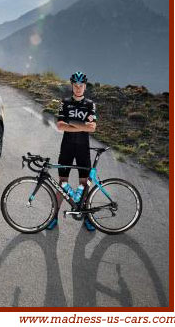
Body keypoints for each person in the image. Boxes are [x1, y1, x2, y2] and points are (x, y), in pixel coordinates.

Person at [47, 71, 97, 231]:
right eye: (75, 85)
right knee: (62, 183)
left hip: (83, 148)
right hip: (67, 147)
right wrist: (82, 126)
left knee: (85, 183)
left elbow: (93, 128)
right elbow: (60, 126)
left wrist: (71, 123)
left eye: (81, 86)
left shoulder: (90, 104)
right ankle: (53, 217)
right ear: (72, 86)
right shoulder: (65, 102)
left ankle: (87, 217)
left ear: (85, 86)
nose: (78, 88)